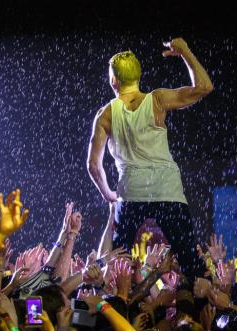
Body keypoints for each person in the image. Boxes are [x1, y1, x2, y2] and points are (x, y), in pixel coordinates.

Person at [87, 38, 213, 282]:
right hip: (168, 190)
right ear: (138, 77)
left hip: (131, 192)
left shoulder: (105, 114)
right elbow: (204, 87)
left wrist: (108, 195)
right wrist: (185, 52)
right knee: (189, 260)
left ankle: (117, 309)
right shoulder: (157, 99)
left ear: (114, 80)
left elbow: (93, 165)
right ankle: (204, 312)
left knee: (119, 259)